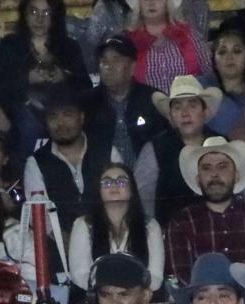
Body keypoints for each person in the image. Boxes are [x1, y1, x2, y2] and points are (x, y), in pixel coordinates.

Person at [164, 135, 245, 281]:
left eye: (222, 166)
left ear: (236, 176)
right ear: (198, 180)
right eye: (206, 168)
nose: (214, 174)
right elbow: (180, 279)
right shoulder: (182, 223)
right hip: (201, 302)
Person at [22, 82, 113, 240]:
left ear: (81, 117)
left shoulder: (108, 152)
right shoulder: (36, 163)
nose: (60, 123)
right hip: (60, 250)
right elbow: (38, 216)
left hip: (109, 241)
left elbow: (121, 198)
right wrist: (63, 240)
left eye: (67, 114)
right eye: (53, 116)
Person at [0, 0, 85, 151]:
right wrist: (26, 79)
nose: (39, 19)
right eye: (33, 12)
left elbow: (85, 87)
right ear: (24, 14)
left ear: (54, 16)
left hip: (61, 118)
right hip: (20, 121)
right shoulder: (10, 47)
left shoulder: (69, 47)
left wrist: (64, 76)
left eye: (46, 13)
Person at [67, 158, 162, 294]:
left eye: (121, 181)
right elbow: (80, 274)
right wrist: (110, 292)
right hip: (98, 301)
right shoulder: (83, 225)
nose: (114, 185)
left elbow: (156, 276)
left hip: (138, 301)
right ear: (98, 190)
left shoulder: (150, 226)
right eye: (106, 182)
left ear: (132, 189)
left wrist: (130, 293)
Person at [133, 73, 218, 225]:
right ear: (171, 116)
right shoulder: (155, 148)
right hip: (171, 235)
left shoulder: (221, 144)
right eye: (178, 107)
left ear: (204, 112)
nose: (185, 113)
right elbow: (143, 198)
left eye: (192, 105)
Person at [89, 33, 164, 169]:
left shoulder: (153, 100)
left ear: (132, 66)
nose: (108, 66)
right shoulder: (88, 104)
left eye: (116, 60)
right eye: (104, 61)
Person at [128, 0, 207, 90]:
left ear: (167, 3)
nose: (151, 3)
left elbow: (208, 71)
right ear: (139, 5)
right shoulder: (129, 41)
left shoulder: (189, 35)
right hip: (145, 103)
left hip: (185, 102)